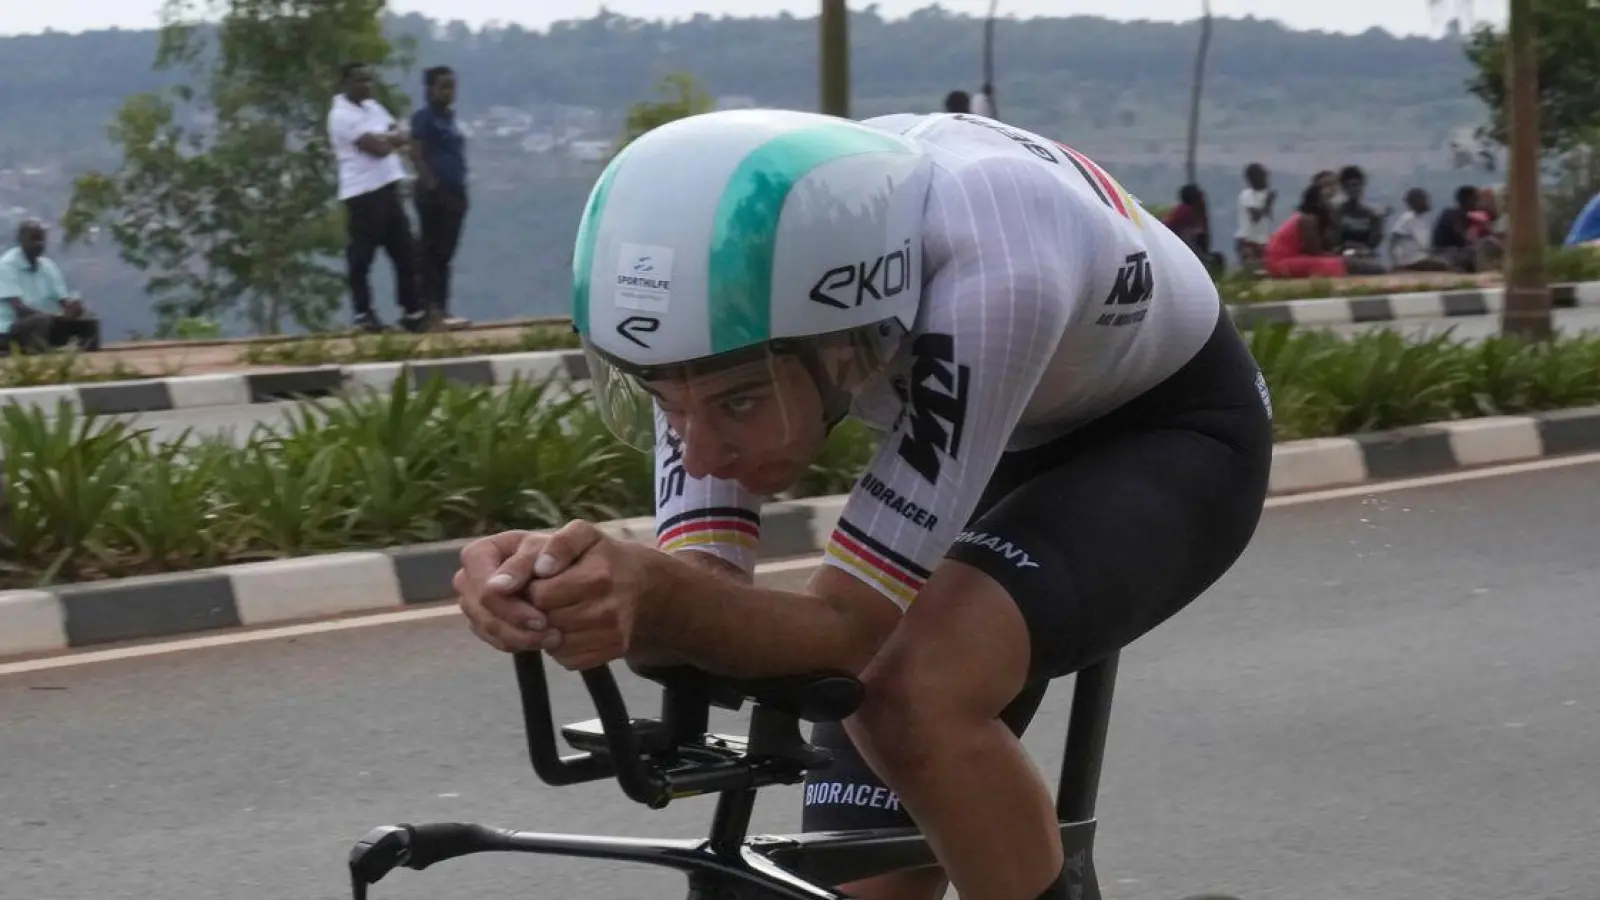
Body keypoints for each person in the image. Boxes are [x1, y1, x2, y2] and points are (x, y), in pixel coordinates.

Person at [453, 109, 1274, 900]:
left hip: (1164, 432)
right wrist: (556, 583)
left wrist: (651, 595)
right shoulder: (722, 322)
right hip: (1003, 420)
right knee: (864, 882)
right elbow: (705, 594)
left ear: (844, 341)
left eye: (738, 402)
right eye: (665, 403)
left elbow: (842, 634)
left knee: (909, 698)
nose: (698, 452)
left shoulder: (993, 274)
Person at [328, 61, 428, 334]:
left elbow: (400, 134)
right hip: (363, 193)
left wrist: (387, 137)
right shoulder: (341, 115)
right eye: (360, 80)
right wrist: (389, 138)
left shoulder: (373, 107)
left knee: (405, 251)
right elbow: (378, 149)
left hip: (388, 187)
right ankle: (363, 314)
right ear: (346, 84)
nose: (366, 85)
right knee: (362, 256)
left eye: (369, 80)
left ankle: (412, 311)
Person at [409, 65, 471, 330]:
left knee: (445, 254)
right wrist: (431, 185)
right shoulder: (424, 118)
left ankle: (442, 309)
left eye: (451, 86)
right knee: (431, 252)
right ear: (430, 89)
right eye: (443, 86)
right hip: (435, 193)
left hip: (455, 191)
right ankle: (429, 309)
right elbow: (416, 153)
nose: (448, 92)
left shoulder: (450, 119)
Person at [0, 219, 101, 354]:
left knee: (89, 320)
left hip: (46, 324)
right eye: (34, 239)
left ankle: (90, 359)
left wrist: (73, 309)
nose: (39, 244)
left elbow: (63, 302)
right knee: (40, 321)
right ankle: (34, 358)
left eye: (42, 239)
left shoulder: (48, 266)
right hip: (10, 331)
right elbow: (20, 310)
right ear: (21, 239)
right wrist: (53, 318)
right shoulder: (6, 266)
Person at [1261, 183, 1348, 279]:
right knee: (1338, 264)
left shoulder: (1306, 218)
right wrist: (1339, 256)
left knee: (1338, 261)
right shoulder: (1308, 220)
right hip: (1281, 263)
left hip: (1284, 260)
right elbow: (1315, 252)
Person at [1386, 188, 1451, 272]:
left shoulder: (1421, 219)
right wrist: (1395, 262)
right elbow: (1393, 239)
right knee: (1446, 265)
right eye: (1424, 199)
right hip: (1411, 260)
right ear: (1415, 202)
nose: (1427, 202)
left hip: (1422, 257)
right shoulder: (1408, 218)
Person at [1235, 162, 1276, 270]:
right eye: (1263, 177)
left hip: (1263, 241)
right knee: (1251, 270)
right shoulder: (1246, 195)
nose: (1266, 180)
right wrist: (1268, 203)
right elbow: (1255, 217)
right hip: (1248, 240)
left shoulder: (1264, 194)